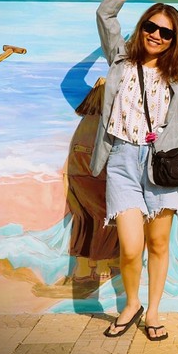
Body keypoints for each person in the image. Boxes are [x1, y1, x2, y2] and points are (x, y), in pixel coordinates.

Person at [90, 0, 178, 341]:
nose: (157, 36)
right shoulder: (119, 58)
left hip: (162, 164)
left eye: (166, 32)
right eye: (151, 27)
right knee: (131, 248)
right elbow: (105, 14)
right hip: (122, 161)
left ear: (174, 39)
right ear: (142, 26)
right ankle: (131, 304)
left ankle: (154, 312)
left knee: (159, 243)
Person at [66, 77, 119, 282]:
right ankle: (102, 263)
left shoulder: (86, 120)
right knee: (107, 218)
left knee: (83, 219)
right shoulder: (110, 120)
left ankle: (82, 267)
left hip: (77, 175)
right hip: (98, 175)